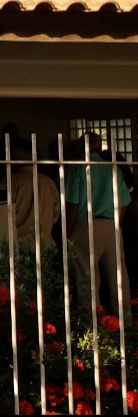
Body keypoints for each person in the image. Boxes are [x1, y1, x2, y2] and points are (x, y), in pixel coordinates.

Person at [65, 133, 132, 321]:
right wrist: (115, 223)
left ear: (81, 147)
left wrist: (68, 232)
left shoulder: (78, 169)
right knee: (118, 276)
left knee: (87, 278)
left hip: (85, 225)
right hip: (111, 225)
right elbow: (124, 202)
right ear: (100, 147)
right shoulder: (112, 169)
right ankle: (125, 320)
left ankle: (91, 322)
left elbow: (73, 205)